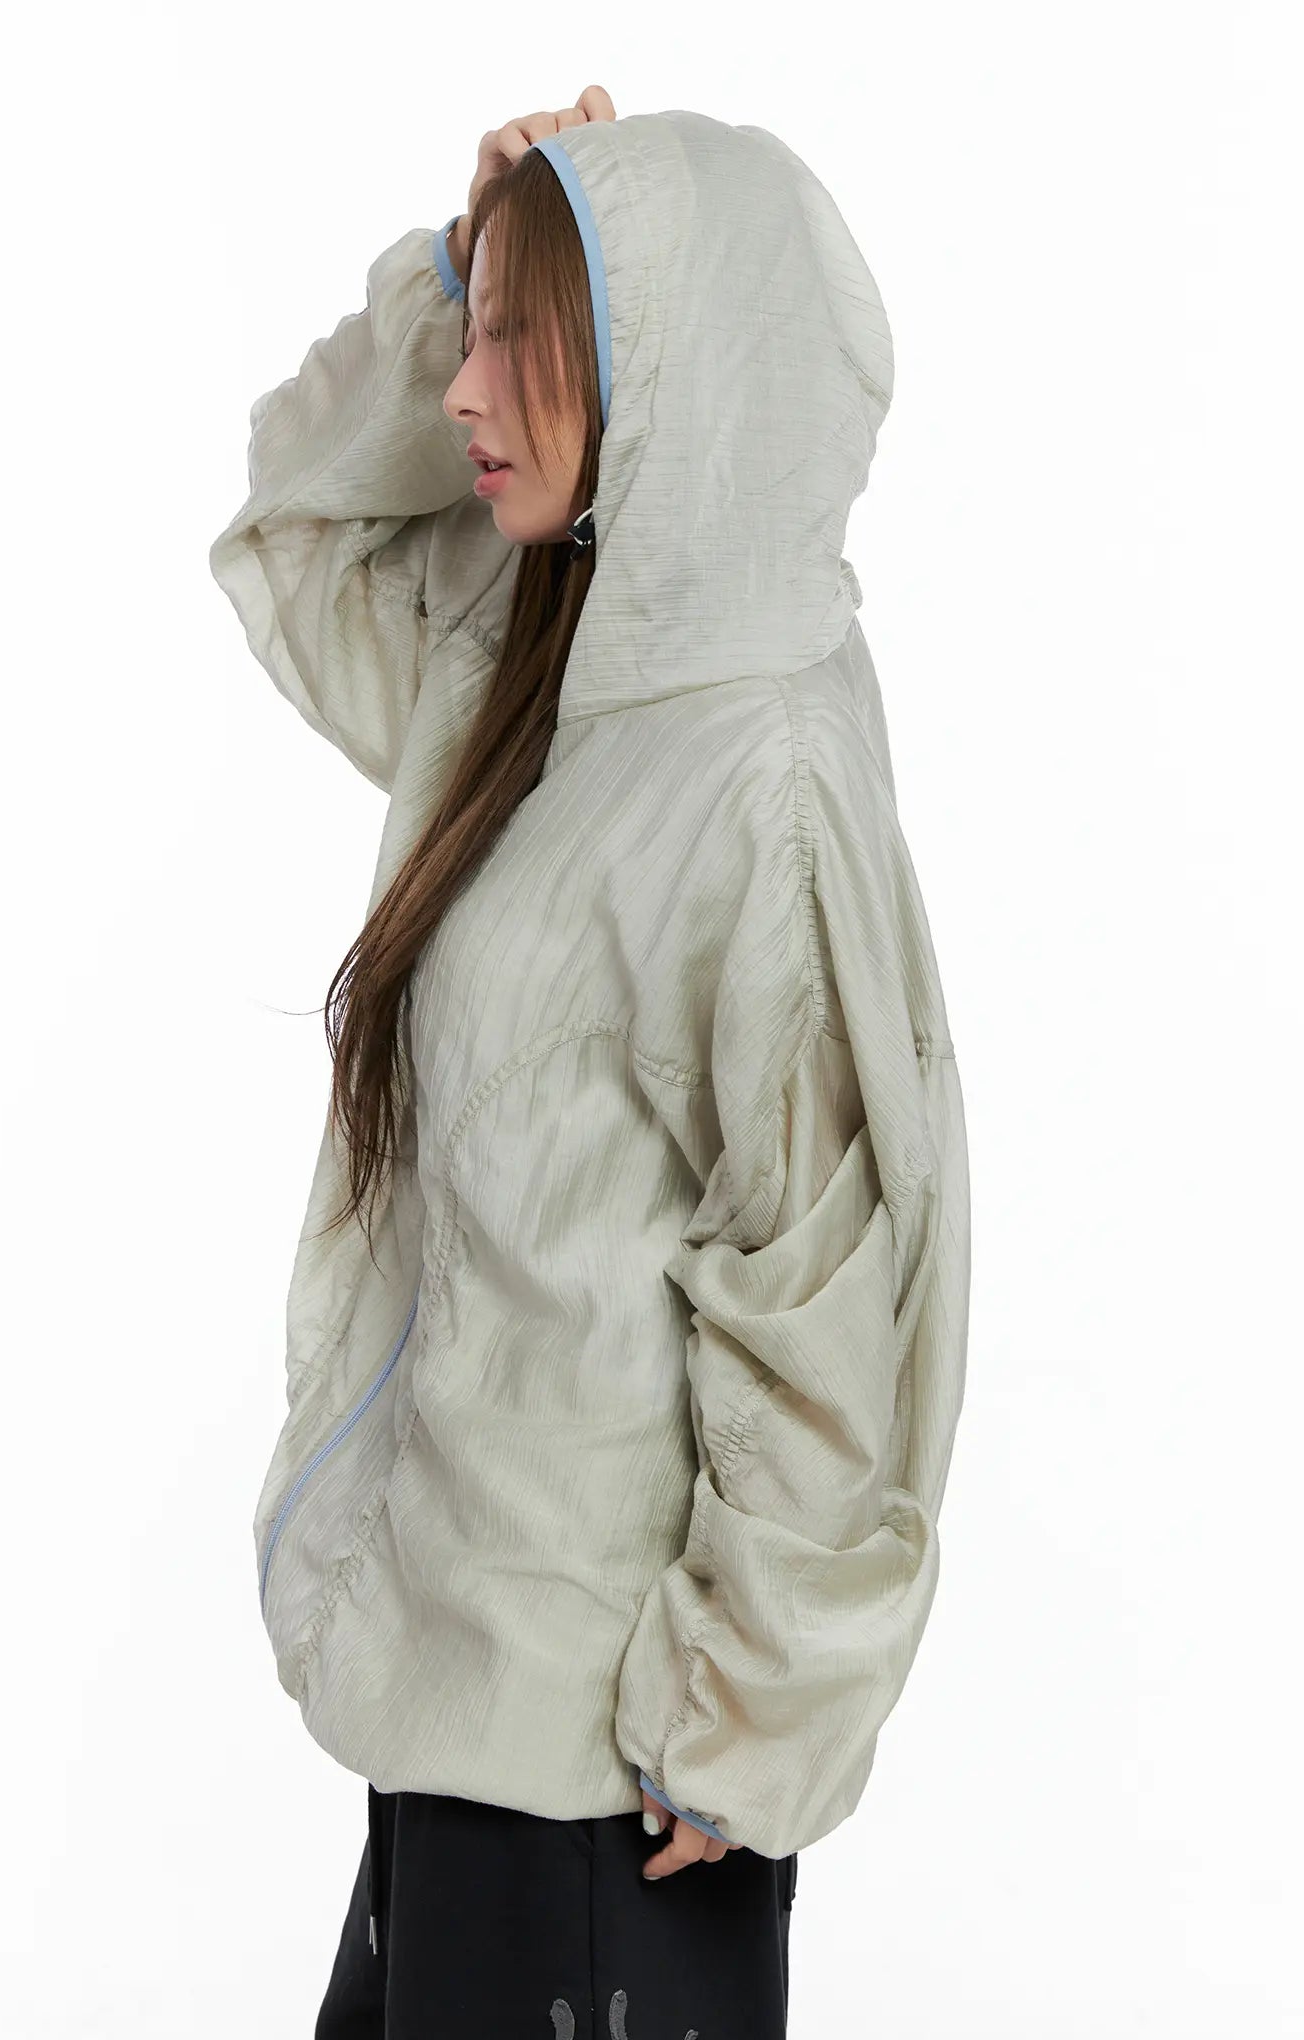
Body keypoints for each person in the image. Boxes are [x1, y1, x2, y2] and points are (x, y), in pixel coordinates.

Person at [207, 90, 971, 2037]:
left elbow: (827, 1271)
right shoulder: (534, 655)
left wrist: (738, 1720)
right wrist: (458, 263)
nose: (465, 392)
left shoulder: (758, 767)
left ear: (661, 366)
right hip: (465, 1719)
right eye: (469, 341)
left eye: (516, 343)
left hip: (605, 1798)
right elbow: (294, 530)